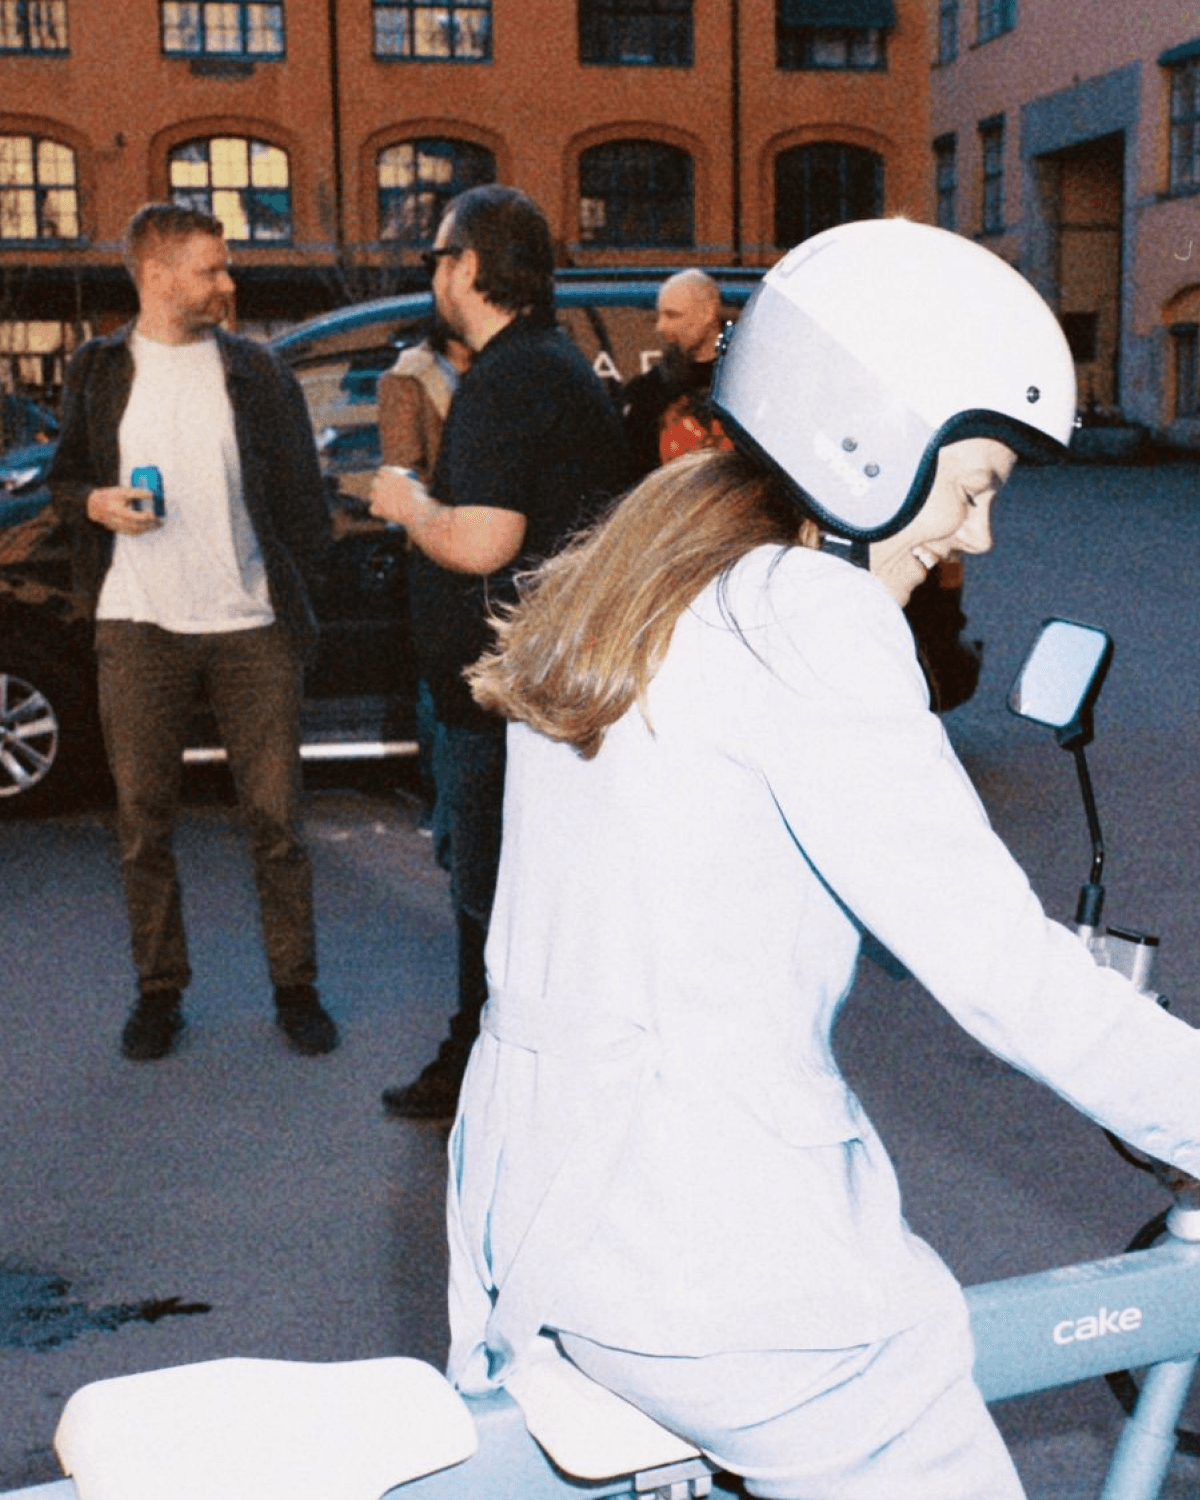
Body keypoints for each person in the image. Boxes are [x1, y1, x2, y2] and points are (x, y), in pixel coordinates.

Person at [445, 219, 1200, 1500]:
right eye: (973, 487)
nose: (976, 538)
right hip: (723, 1262)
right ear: (868, 443)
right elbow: (1000, 969)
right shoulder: (811, 615)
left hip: (541, 1224)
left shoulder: (645, 568)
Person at [48, 203, 336, 1061]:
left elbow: (302, 505)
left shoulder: (256, 371)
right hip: (138, 623)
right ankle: (159, 991)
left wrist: (298, 607)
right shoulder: (99, 370)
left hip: (251, 626)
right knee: (143, 819)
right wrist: (94, 503)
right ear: (159, 274)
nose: (227, 282)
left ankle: (296, 988)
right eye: (211, 268)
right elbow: (67, 481)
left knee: (276, 819)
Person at [370, 185, 628, 1119]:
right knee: (509, 895)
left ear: (472, 266)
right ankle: (490, 1060)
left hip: (501, 701)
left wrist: (408, 504)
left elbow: (482, 541)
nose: (434, 274)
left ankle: (494, 1074)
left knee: (492, 901)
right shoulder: (542, 366)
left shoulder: (511, 377)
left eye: (441, 256)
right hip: (519, 692)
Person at [376, 318, 472, 844]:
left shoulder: (492, 367)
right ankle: (443, 806)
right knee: (440, 682)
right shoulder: (408, 377)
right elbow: (400, 467)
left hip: (487, 540)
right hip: (438, 545)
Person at [621, 267, 730, 480]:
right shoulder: (646, 394)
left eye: (673, 315)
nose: (661, 327)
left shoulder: (748, 383)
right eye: (659, 316)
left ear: (708, 313)